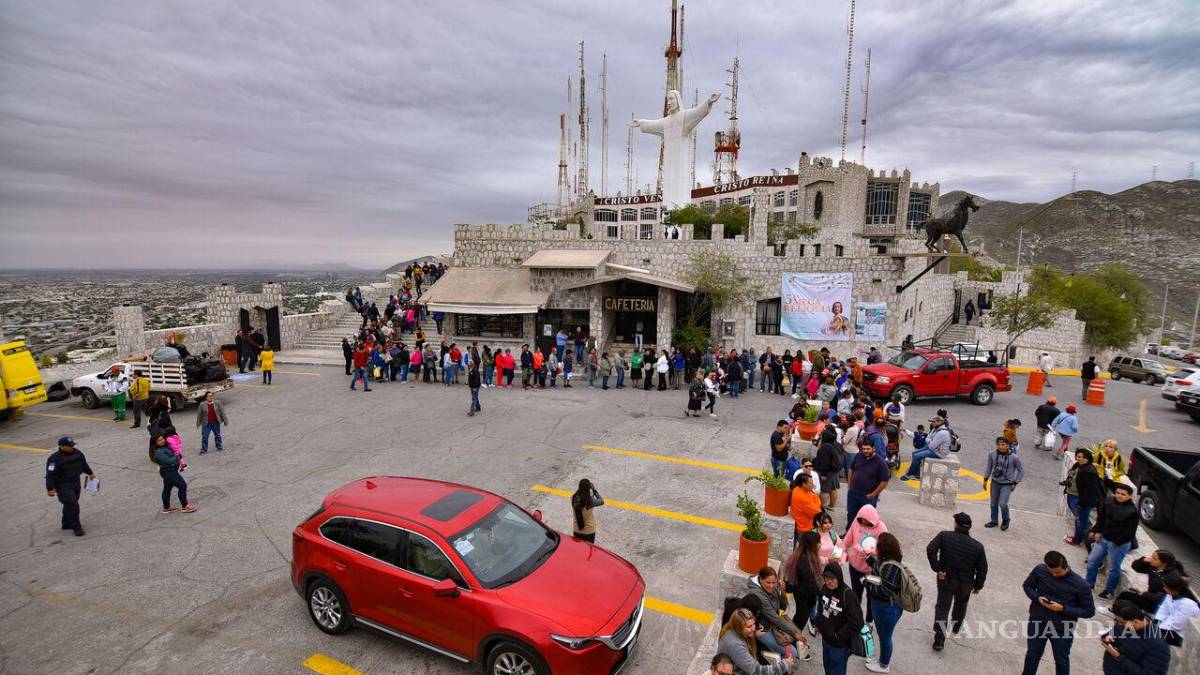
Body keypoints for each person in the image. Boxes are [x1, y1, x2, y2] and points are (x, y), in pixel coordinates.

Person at [1020, 550, 1095, 675]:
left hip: (1062, 628)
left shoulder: (1081, 585)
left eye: (1058, 572)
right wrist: (1037, 598)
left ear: (1066, 567)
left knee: (1061, 660)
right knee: (1032, 654)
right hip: (1038, 621)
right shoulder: (1040, 570)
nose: (1054, 575)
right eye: (1051, 572)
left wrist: (1063, 609)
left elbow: (1089, 611)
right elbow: (1027, 586)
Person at [926, 512, 987, 651]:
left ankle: (939, 640)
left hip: (945, 578)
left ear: (956, 525)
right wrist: (978, 585)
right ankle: (956, 627)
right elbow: (982, 569)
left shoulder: (944, 536)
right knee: (961, 604)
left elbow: (930, 549)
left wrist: (937, 568)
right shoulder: (978, 547)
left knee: (943, 607)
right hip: (966, 583)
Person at [1086, 480, 1140, 599]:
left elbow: (1130, 532)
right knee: (1092, 561)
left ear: (1130, 496)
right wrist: (1097, 531)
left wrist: (1117, 542)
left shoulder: (1133, 512)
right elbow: (1101, 519)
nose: (1119, 496)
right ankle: (1088, 584)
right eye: (1118, 493)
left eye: (1123, 494)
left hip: (1118, 544)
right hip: (1103, 539)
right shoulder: (1108, 502)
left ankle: (1109, 591)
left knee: (1113, 568)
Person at [864, 532, 905, 673]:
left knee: (885, 638)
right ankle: (882, 660)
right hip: (887, 607)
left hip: (886, 608)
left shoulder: (890, 566)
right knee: (884, 636)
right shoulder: (887, 560)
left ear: (883, 548)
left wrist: (867, 584)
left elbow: (884, 590)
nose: (875, 546)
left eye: (878, 545)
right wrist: (870, 560)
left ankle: (883, 665)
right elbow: (880, 572)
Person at [747, 566, 809, 658]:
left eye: (774, 582)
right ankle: (773, 663)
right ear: (761, 579)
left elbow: (783, 607)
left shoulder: (773, 587)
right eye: (768, 582)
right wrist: (794, 634)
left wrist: (782, 592)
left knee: (793, 643)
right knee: (791, 653)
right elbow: (774, 618)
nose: (771, 586)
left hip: (774, 626)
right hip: (764, 630)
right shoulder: (758, 594)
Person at [814, 563, 864, 675]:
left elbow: (858, 623)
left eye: (832, 579)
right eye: (826, 578)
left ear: (839, 578)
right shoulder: (824, 588)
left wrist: (838, 636)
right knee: (828, 668)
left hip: (839, 646)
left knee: (837, 672)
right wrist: (818, 624)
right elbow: (821, 607)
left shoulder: (848, 595)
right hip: (826, 640)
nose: (829, 582)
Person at [717, 607, 794, 675]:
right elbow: (756, 671)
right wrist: (783, 666)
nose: (753, 628)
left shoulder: (732, 630)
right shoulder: (736, 646)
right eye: (749, 626)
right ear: (739, 626)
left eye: (753, 624)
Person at [1101, 600, 1170, 675]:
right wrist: (1106, 638)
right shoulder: (1124, 624)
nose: (1119, 624)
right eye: (1117, 621)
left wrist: (1119, 657)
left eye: (1122, 622)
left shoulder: (1157, 645)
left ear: (1136, 621)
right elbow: (1111, 634)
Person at [44, 437, 95, 536]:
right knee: (72, 504)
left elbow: (83, 464)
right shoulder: (54, 459)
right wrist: (50, 488)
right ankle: (77, 527)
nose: (72, 447)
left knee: (70, 503)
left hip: (75, 482)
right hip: (62, 485)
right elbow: (50, 475)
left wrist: (90, 473)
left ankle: (66, 523)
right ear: (61, 446)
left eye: (72, 445)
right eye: (69, 446)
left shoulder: (78, 453)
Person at [845, 504, 888, 623]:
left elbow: (885, 548)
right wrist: (842, 549)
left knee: (871, 596)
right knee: (856, 595)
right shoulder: (856, 522)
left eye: (866, 520)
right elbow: (848, 538)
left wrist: (871, 552)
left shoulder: (881, 528)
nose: (863, 522)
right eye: (862, 519)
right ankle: (856, 620)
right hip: (855, 567)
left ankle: (869, 621)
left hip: (871, 571)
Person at [1113, 549, 1187, 613]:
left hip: (1159, 605)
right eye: (1151, 556)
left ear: (1164, 563)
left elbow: (1166, 597)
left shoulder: (1172, 577)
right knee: (1127, 595)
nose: (1151, 559)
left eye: (1154, 559)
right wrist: (1143, 560)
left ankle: (1115, 611)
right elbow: (1136, 567)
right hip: (1151, 597)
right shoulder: (1155, 567)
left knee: (1125, 595)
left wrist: (1145, 594)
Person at [1062, 448, 1104, 546]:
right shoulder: (1079, 466)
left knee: (1080, 520)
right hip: (1072, 495)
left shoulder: (1089, 471)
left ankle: (1077, 540)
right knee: (1079, 519)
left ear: (1087, 458)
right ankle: (1081, 536)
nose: (1079, 459)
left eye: (1081, 457)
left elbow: (1090, 490)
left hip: (1080, 499)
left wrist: (1082, 503)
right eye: (1077, 456)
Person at [846, 434, 890, 527]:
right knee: (851, 514)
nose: (865, 451)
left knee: (866, 518)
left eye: (868, 449)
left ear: (873, 448)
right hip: (853, 493)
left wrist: (873, 494)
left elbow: (885, 481)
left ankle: (863, 534)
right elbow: (851, 469)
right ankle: (849, 531)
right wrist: (849, 484)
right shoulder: (858, 456)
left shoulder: (880, 462)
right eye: (863, 449)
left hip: (868, 497)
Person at [784, 530, 824, 633]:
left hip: (804, 594)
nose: (820, 544)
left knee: (800, 617)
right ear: (812, 544)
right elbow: (810, 583)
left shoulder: (806, 556)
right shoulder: (805, 561)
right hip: (804, 596)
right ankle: (793, 637)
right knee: (800, 619)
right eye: (818, 542)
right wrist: (823, 593)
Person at [982, 437, 1024, 530]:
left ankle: (1006, 520)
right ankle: (994, 521)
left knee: (1002, 503)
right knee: (993, 503)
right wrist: (985, 479)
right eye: (998, 444)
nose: (1000, 446)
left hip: (1007, 484)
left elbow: (1021, 471)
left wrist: (1015, 482)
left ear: (1007, 445)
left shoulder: (1014, 458)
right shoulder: (992, 454)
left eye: (1003, 444)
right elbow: (989, 467)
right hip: (995, 482)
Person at [152, 430, 195, 514]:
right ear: (155, 443)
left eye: (162, 439)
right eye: (159, 440)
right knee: (182, 486)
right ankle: (185, 506)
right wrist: (178, 456)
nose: (162, 441)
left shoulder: (164, 447)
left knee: (167, 489)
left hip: (170, 471)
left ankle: (166, 507)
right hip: (168, 472)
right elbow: (169, 461)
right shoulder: (159, 452)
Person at [901, 415, 949, 481]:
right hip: (934, 449)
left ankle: (910, 474)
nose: (932, 423)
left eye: (933, 422)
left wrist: (929, 440)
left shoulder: (941, 433)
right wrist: (930, 440)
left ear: (939, 422)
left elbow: (931, 445)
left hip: (938, 453)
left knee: (916, 456)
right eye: (932, 422)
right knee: (914, 453)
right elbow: (928, 438)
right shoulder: (935, 429)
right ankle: (917, 474)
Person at [812, 427, 843, 510]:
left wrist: (823, 474)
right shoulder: (837, 444)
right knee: (833, 488)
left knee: (823, 490)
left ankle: (822, 507)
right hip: (835, 470)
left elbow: (824, 462)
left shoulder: (825, 447)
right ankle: (831, 506)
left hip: (827, 472)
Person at [789, 473, 822, 546]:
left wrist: (816, 501)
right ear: (803, 484)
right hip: (804, 530)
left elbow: (814, 496)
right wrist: (817, 502)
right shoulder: (802, 497)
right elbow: (817, 513)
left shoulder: (797, 489)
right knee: (808, 550)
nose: (813, 485)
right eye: (811, 483)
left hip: (805, 527)